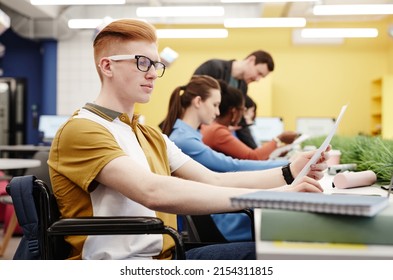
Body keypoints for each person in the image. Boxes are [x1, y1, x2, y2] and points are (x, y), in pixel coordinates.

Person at [48, 18, 328, 260]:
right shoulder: (83, 129)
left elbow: (215, 179)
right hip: (126, 265)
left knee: (288, 252)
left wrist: (289, 171)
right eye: (141, 62)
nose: (151, 74)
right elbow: (152, 191)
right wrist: (277, 196)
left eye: (155, 64)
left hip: (167, 256)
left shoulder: (147, 133)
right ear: (107, 67)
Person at [161, 75, 288, 242]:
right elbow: (230, 166)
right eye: (215, 105)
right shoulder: (184, 140)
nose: (218, 112)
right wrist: (288, 166)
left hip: (215, 209)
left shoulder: (192, 135)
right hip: (218, 217)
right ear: (198, 102)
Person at [193, 50, 298, 149]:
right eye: (259, 73)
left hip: (214, 138)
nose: (257, 79)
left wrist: (255, 151)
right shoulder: (214, 68)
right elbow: (192, 98)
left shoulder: (243, 86)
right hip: (197, 133)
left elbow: (241, 124)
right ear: (251, 60)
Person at [200, 80, 298, 161]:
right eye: (242, 110)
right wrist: (279, 139)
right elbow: (253, 157)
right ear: (234, 111)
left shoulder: (210, 127)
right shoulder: (218, 132)